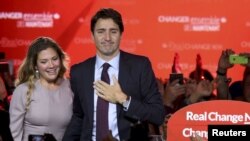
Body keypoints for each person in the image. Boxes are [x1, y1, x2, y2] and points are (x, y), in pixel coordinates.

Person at [63, 8, 165, 141]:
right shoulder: (79, 72)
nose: (107, 38)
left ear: (121, 34)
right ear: (92, 36)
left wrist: (124, 99)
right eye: (101, 32)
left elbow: (157, 114)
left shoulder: (140, 66)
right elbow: (79, 116)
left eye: (113, 31)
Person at [9, 37, 73, 141]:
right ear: (35, 66)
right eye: (44, 62)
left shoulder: (72, 88)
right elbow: (14, 132)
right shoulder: (22, 90)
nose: (51, 65)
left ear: (60, 59)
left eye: (54, 59)